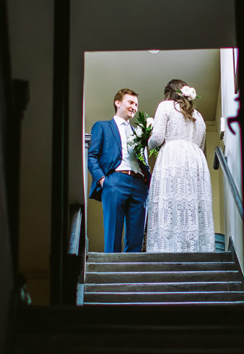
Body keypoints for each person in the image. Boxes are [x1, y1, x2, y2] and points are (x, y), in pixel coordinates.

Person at [144, 79, 217, 253]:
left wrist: (146, 142)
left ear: (168, 93)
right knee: (191, 205)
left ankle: (167, 250)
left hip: (173, 158)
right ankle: (194, 249)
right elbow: (201, 143)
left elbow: (158, 137)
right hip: (195, 160)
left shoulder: (166, 106)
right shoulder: (198, 115)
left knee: (170, 202)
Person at [86, 88, 149, 253]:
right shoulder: (102, 126)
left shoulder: (138, 132)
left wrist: (147, 180)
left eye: (136, 104)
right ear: (118, 102)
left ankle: (134, 274)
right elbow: (91, 156)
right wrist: (103, 180)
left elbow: (142, 159)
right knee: (113, 232)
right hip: (114, 181)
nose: (134, 107)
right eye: (130, 102)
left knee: (136, 236)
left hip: (138, 183)